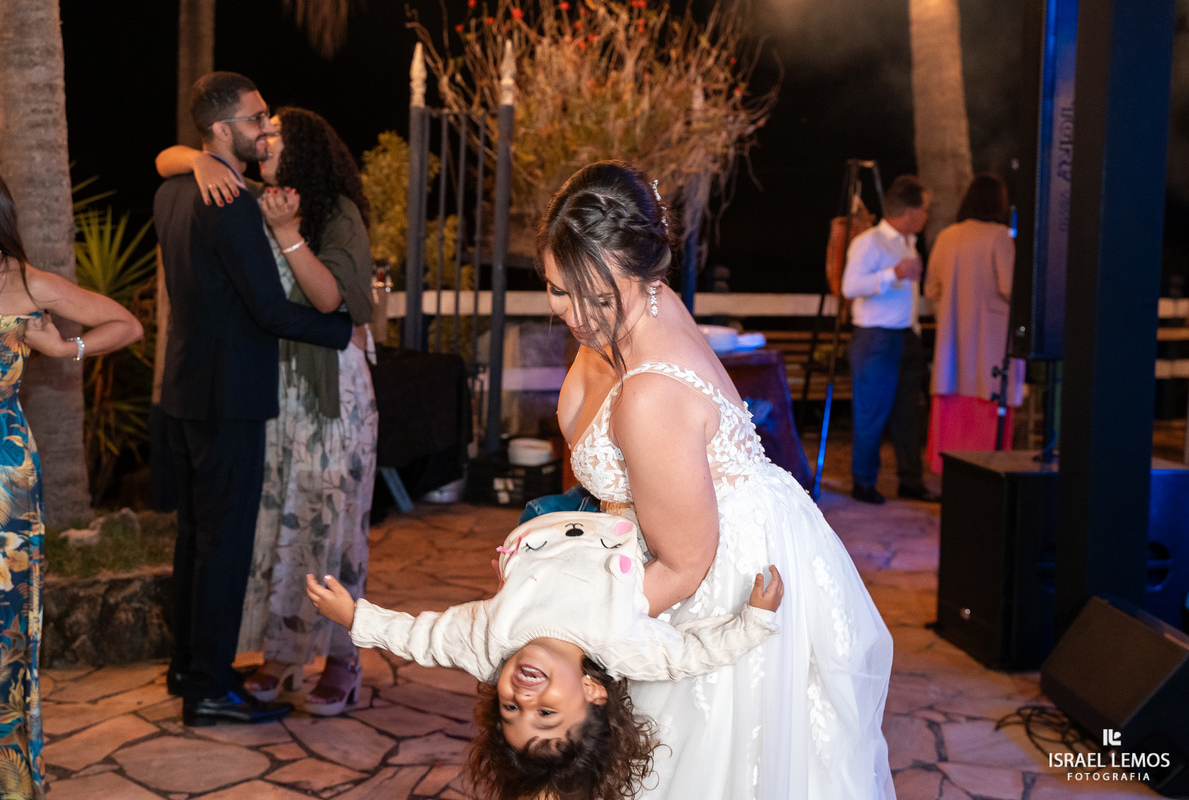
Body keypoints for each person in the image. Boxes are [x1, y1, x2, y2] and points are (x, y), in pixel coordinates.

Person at [537, 161, 895, 799]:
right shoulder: (641, 304)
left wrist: (560, 630)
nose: (573, 314)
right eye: (557, 289)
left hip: (713, 588)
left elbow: (683, 567)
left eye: (591, 294)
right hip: (688, 538)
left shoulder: (651, 392)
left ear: (641, 269)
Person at [306, 510, 785, 800]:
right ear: (593, 691)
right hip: (614, 516)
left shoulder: (486, 645)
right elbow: (693, 655)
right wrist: (754, 620)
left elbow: (419, 638)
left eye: (511, 709)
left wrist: (354, 618)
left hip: (540, 521)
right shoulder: (623, 646)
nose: (524, 697)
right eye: (548, 713)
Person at [156, 106, 378, 716]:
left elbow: (335, 300)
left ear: (301, 147)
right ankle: (281, 657)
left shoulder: (336, 214)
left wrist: (288, 234)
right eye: (262, 125)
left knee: (330, 525)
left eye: (276, 131)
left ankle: (343, 658)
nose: (265, 136)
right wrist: (198, 157)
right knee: (278, 528)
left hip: (328, 393)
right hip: (268, 391)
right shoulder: (249, 196)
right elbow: (163, 160)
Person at [0, 161, 143, 796]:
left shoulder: (27, 283)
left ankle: (6, 780)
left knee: (3, 629)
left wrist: (61, 350)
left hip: (1, 484)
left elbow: (126, 324)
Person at [842, 174, 938, 505]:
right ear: (910, 211)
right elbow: (850, 287)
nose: (927, 216)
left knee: (910, 413)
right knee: (872, 411)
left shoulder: (907, 243)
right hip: (876, 338)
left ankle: (911, 480)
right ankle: (863, 482)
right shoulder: (869, 242)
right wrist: (891, 274)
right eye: (925, 209)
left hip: (905, 335)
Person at [924, 173, 1023, 473]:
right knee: (989, 405)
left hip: (952, 348)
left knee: (953, 407)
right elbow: (1010, 287)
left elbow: (931, 289)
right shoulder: (1000, 237)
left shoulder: (946, 236)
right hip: (989, 348)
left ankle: (948, 471)